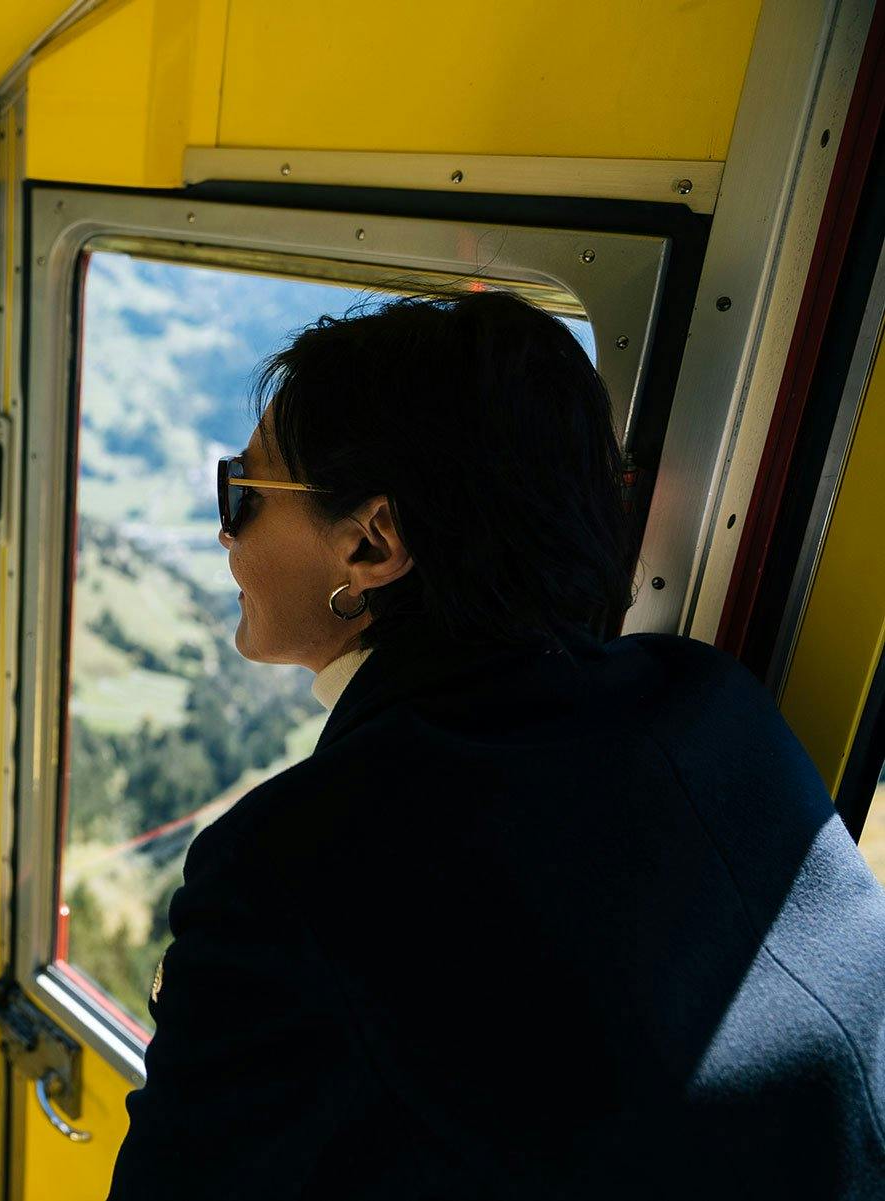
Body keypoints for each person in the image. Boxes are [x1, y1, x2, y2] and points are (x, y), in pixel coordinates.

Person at [105, 291, 885, 1199]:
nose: (222, 529)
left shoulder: (287, 870)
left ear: (373, 541)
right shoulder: (705, 702)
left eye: (243, 494)